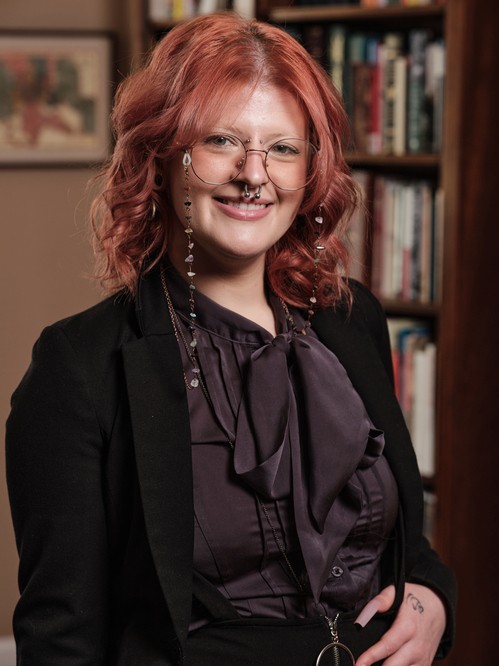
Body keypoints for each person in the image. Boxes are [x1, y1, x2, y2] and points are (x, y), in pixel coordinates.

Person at [6, 12, 456, 666]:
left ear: (310, 170)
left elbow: (397, 534)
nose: (254, 174)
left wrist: (432, 596)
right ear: (162, 156)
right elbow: (61, 639)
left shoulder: (349, 317)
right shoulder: (79, 366)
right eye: (221, 141)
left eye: (283, 148)